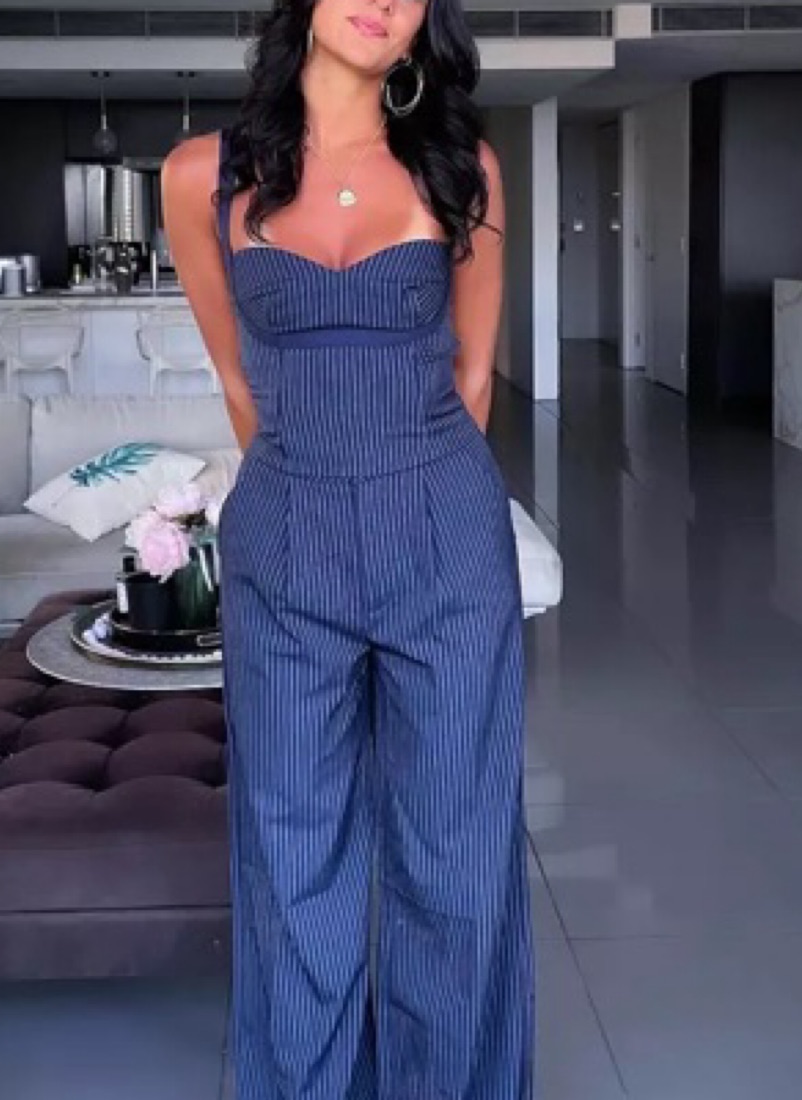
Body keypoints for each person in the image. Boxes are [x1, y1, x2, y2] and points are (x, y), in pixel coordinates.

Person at [162, 0, 535, 1095]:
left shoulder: (460, 166)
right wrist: (311, 492)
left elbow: (473, 377)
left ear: (425, 25)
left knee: (456, 857)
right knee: (290, 858)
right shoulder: (200, 176)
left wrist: (409, 498)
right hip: (286, 539)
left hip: (444, 535)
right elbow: (238, 378)